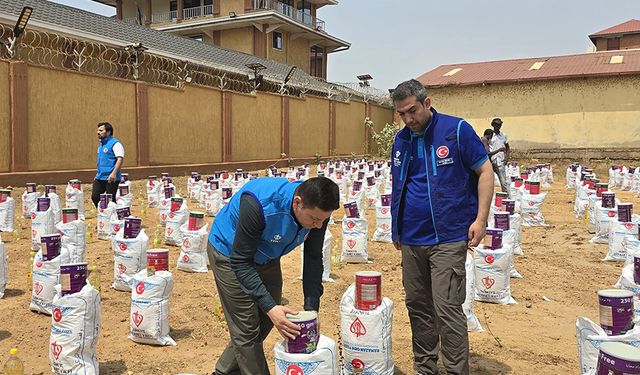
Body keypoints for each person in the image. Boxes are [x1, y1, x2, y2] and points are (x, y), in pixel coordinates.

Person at [390, 79, 494, 375]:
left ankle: (455, 370)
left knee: (447, 308)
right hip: (411, 238)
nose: (409, 119)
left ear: (427, 103)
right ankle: (425, 368)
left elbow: (485, 171)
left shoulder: (456, 130)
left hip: (448, 236)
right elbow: (400, 185)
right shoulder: (401, 141)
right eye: (402, 114)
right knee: (418, 307)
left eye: (412, 111)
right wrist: (396, 228)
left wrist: (481, 219)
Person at [206, 176, 340, 375]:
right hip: (230, 254)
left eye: (322, 220)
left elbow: (313, 256)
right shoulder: (260, 204)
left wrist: (312, 309)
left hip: (267, 255)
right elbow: (240, 261)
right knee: (247, 329)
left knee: (269, 318)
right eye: (314, 219)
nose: (319, 226)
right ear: (297, 203)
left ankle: (223, 371)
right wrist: (269, 306)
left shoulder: (317, 210)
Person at [92, 122, 124, 207]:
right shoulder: (101, 146)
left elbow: (120, 159)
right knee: (95, 197)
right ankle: (102, 214)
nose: (98, 132)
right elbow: (100, 162)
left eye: (101, 130)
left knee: (111, 201)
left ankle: (114, 216)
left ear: (108, 132)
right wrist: (97, 174)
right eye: (98, 130)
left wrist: (113, 173)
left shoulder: (116, 144)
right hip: (100, 177)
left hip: (111, 178)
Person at [489, 118, 510, 196]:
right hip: (491, 162)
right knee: (488, 183)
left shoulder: (504, 135)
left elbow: (508, 148)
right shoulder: (490, 136)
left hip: (500, 162)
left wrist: (506, 159)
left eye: (499, 125)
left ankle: (507, 199)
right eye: (496, 125)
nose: (498, 126)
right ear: (493, 125)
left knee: (503, 182)